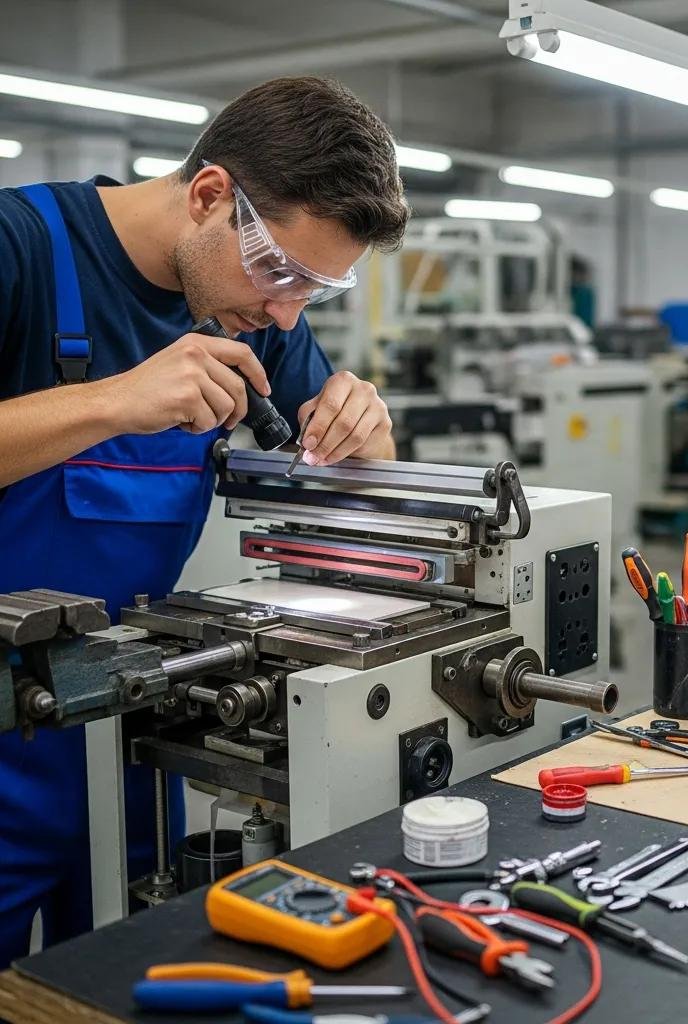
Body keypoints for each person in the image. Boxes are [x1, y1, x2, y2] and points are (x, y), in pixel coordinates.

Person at [0, 75, 409, 966]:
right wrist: (113, 402)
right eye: (283, 274)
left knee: (114, 977)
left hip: (131, 734)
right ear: (210, 195)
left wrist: (367, 432)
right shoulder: (19, 247)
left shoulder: (258, 313)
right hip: (4, 743)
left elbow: (339, 478)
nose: (287, 314)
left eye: (319, 291)